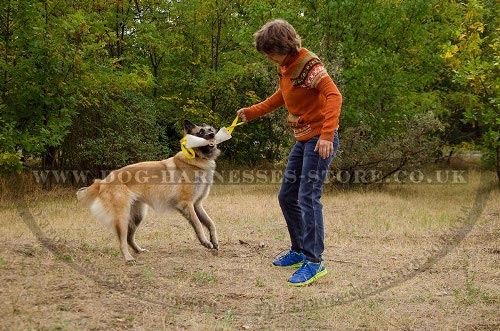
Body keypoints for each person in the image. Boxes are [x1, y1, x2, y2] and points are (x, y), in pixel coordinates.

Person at [237, 19, 342, 286]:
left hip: (320, 138)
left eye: (270, 52)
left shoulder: (310, 65)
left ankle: (314, 261)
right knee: (287, 196)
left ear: (283, 46)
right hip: (304, 137)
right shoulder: (286, 67)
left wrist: (328, 135)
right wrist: (252, 112)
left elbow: (334, 95)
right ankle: (298, 251)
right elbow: (283, 97)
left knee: (308, 197)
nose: (269, 58)